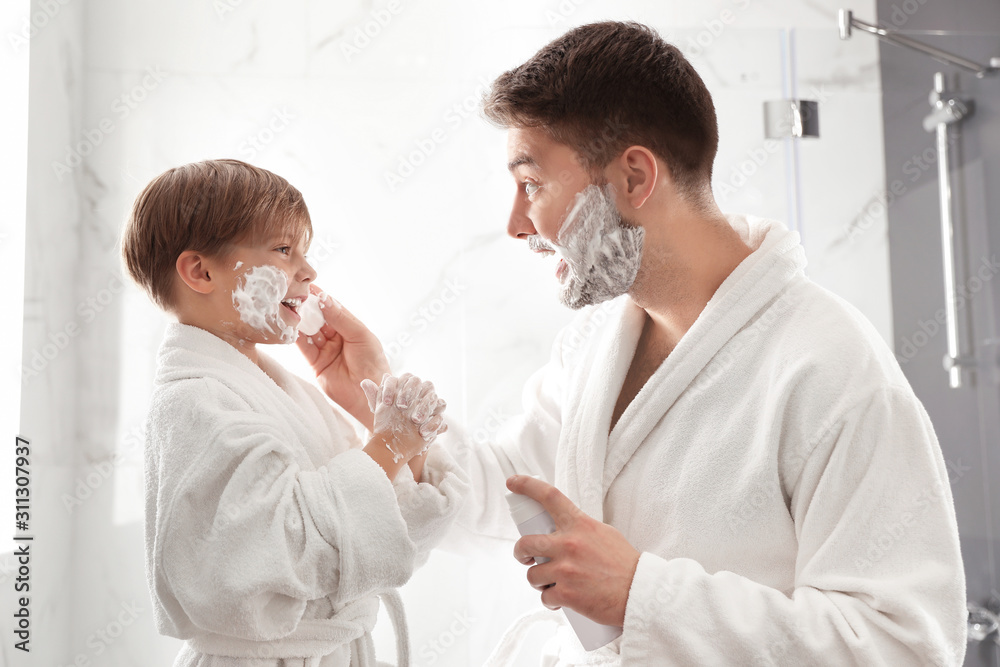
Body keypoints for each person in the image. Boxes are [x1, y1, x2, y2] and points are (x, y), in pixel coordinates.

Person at [324, 20, 968, 666]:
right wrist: (381, 402)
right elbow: (504, 490)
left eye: (532, 185)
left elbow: (904, 644)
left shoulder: (829, 367)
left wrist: (641, 594)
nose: (517, 224)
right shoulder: (596, 343)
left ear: (634, 177)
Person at [121, 158, 469, 667]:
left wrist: (381, 410)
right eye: (284, 251)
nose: (308, 271)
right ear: (201, 271)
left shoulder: (292, 394)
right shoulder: (192, 405)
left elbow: (390, 537)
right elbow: (271, 557)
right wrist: (388, 444)